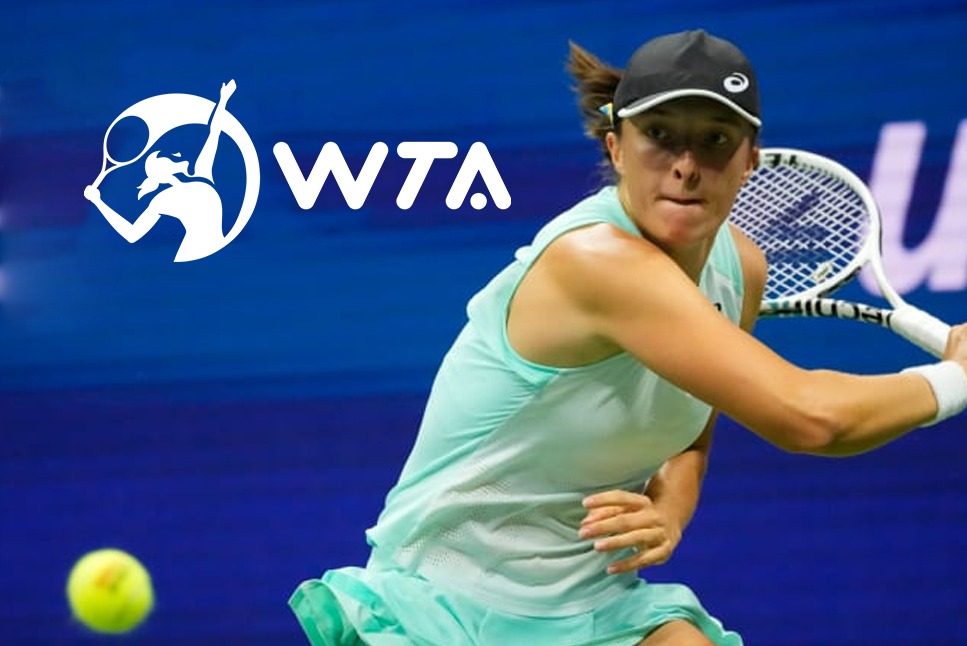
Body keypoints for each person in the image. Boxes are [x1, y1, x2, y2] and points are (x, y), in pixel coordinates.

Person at [289, 29, 967, 646]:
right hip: (444, 607)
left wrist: (669, 510)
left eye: (715, 140)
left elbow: (691, 435)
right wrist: (956, 377)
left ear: (749, 161)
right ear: (616, 147)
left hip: (592, 608)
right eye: (660, 136)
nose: (685, 165)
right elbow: (810, 418)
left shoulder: (741, 268)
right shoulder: (596, 262)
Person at [84, 80, 236, 262]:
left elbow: (214, 132)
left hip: (217, 254)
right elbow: (132, 234)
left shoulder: (202, 173)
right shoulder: (163, 199)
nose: (177, 154)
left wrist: (223, 100)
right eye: (170, 157)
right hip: (191, 258)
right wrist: (98, 201)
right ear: (163, 172)